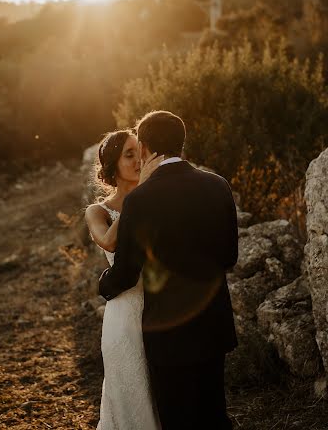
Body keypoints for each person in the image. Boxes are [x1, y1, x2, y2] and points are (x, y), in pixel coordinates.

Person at [99, 111, 238, 430]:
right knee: (214, 414)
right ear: (182, 144)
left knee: (177, 418)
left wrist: (103, 285)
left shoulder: (140, 200)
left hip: (169, 335)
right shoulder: (217, 185)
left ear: (145, 148)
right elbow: (229, 256)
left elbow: (127, 273)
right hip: (213, 324)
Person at [85, 129, 163, 430]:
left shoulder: (153, 201)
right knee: (132, 394)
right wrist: (137, 195)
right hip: (124, 314)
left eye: (139, 152)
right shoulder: (98, 211)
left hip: (160, 309)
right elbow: (108, 242)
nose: (138, 160)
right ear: (112, 166)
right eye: (128, 154)